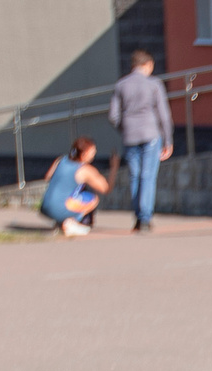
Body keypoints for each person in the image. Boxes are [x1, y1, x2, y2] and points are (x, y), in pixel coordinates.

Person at [107, 50, 172, 234]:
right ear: (147, 65)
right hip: (151, 134)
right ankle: (145, 217)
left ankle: (137, 217)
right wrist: (168, 140)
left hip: (130, 136)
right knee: (147, 176)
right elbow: (164, 115)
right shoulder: (154, 84)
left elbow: (113, 116)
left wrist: (125, 127)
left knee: (135, 176)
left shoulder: (121, 85)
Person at [39, 136, 108, 238]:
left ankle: (59, 223)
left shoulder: (61, 159)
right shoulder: (84, 169)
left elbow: (48, 177)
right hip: (60, 209)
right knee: (93, 199)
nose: (95, 153)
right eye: (92, 152)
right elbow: (104, 188)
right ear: (84, 154)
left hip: (44, 207)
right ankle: (70, 223)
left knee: (72, 195)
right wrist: (114, 167)